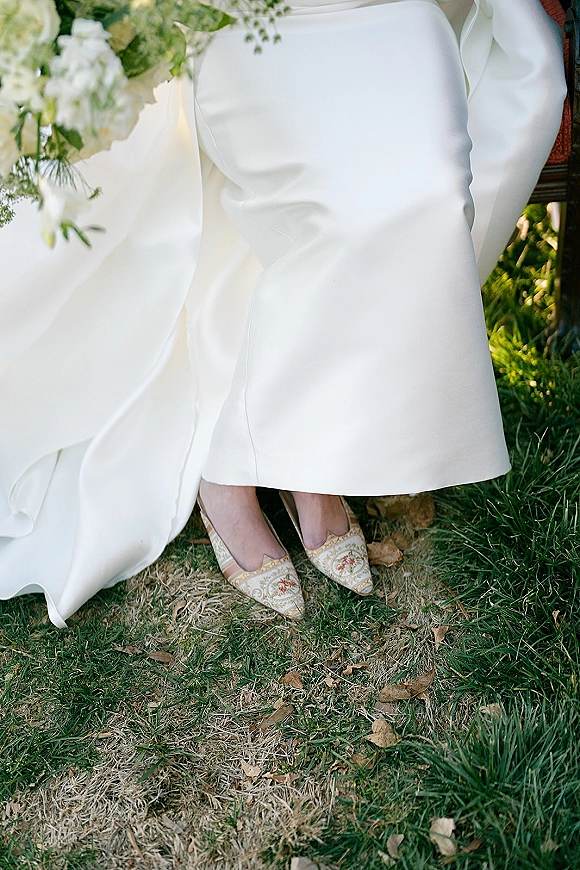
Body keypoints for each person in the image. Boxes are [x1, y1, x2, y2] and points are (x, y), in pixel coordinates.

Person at [0, 0, 566, 625]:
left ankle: (313, 454)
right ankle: (230, 473)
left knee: (430, 192)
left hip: (388, 10)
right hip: (243, 19)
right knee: (336, 205)